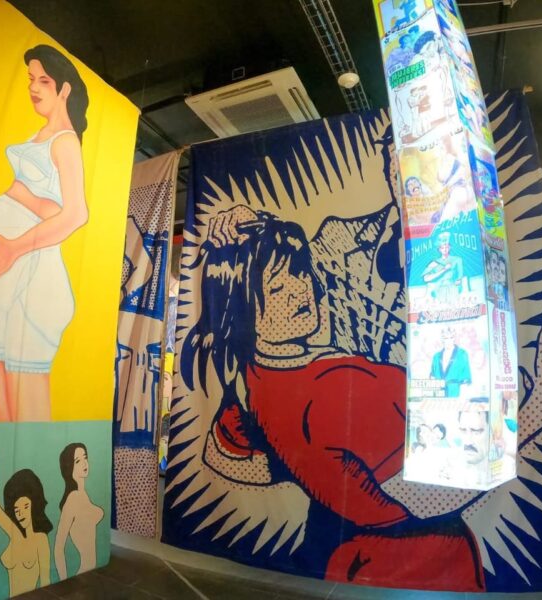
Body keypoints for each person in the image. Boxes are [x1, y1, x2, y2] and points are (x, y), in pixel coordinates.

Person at [182, 203, 484, 590]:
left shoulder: (267, 377)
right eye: (276, 288)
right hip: (405, 566)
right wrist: (526, 427)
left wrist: (254, 227)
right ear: (241, 315)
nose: (300, 290)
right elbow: (404, 500)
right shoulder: (306, 397)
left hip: (378, 559)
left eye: (299, 272)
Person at [0, 44, 91, 422]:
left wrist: (15, 247)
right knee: (3, 402)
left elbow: (76, 214)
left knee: (27, 406)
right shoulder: (39, 135)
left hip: (34, 277)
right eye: (31, 80)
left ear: (64, 89)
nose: (34, 88)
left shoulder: (66, 142)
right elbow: (34, 199)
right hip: (6, 284)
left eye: (44, 80)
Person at [0, 448, 53, 594]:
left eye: (25, 506)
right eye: (16, 509)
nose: (20, 513)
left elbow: (45, 580)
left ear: (34, 505)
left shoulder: (41, 539)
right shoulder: (16, 534)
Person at [55, 442, 104, 580]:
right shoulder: (73, 499)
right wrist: (63, 580)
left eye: (85, 457)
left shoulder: (83, 495)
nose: (84, 463)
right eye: (77, 461)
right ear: (69, 467)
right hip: (83, 573)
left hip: (91, 571)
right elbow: (58, 547)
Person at [422, 231, 465, 303]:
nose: (445, 249)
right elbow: (426, 278)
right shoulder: (434, 262)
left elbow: (460, 274)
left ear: (450, 247)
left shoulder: (457, 259)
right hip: (439, 288)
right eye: (442, 247)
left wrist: (459, 280)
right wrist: (444, 269)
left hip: (452, 287)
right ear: (439, 249)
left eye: (447, 247)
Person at [430, 326, 472, 398]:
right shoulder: (436, 357)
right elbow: (432, 377)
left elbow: (465, 379)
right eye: (446, 338)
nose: (449, 341)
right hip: (438, 395)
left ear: (454, 338)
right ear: (442, 339)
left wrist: (462, 399)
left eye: (451, 337)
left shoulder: (462, 354)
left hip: (455, 393)